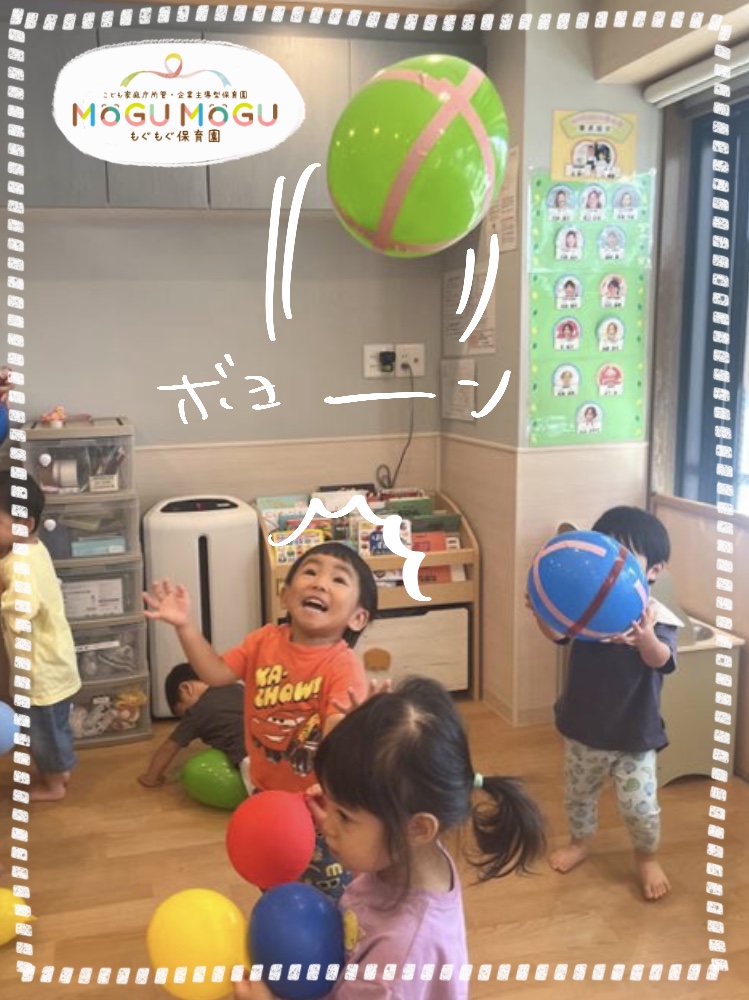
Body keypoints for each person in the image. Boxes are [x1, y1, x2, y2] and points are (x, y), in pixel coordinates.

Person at [234, 677, 546, 1000]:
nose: (327, 825)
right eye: (331, 802)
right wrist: (360, 749)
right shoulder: (414, 853)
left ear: (417, 829)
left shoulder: (396, 963)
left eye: (344, 815)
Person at [143, 541, 378, 899]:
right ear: (285, 596)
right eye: (310, 572)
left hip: (320, 805)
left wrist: (354, 724)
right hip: (267, 795)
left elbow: (335, 733)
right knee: (273, 880)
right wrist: (185, 626)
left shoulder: (342, 665)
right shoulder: (263, 642)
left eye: (338, 579)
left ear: (357, 618)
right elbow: (216, 673)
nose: (320, 583)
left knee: (328, 892)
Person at [528, 507, 677, 901]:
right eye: (608, 550)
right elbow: (558, 635)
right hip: (584, 729)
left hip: (635, 734)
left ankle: (646, 856)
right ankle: (580, 842)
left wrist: (645, 638)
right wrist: (541, 612)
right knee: (579, 795)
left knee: (640, 807)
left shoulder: (657, 617)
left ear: (654, 570)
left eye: (625, 555)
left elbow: (662, 660)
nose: (613, 562)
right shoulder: (589, 608)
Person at [0, 471, 81, 801]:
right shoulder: (31, 548)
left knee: (44, 733)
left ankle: (54, 784)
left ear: (25, 523)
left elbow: (23, 608)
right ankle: (60, 770)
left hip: (41, 671)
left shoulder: (19, 562)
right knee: (53, 729)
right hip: (53, 662)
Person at [137, 662, 248, 789]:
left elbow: (169, 747)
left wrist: (150, 778)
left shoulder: (197, 711)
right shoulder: (236, 687)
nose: (186, 718)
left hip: (249, 761)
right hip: (266, 743)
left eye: (184, 713)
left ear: (186, 689)